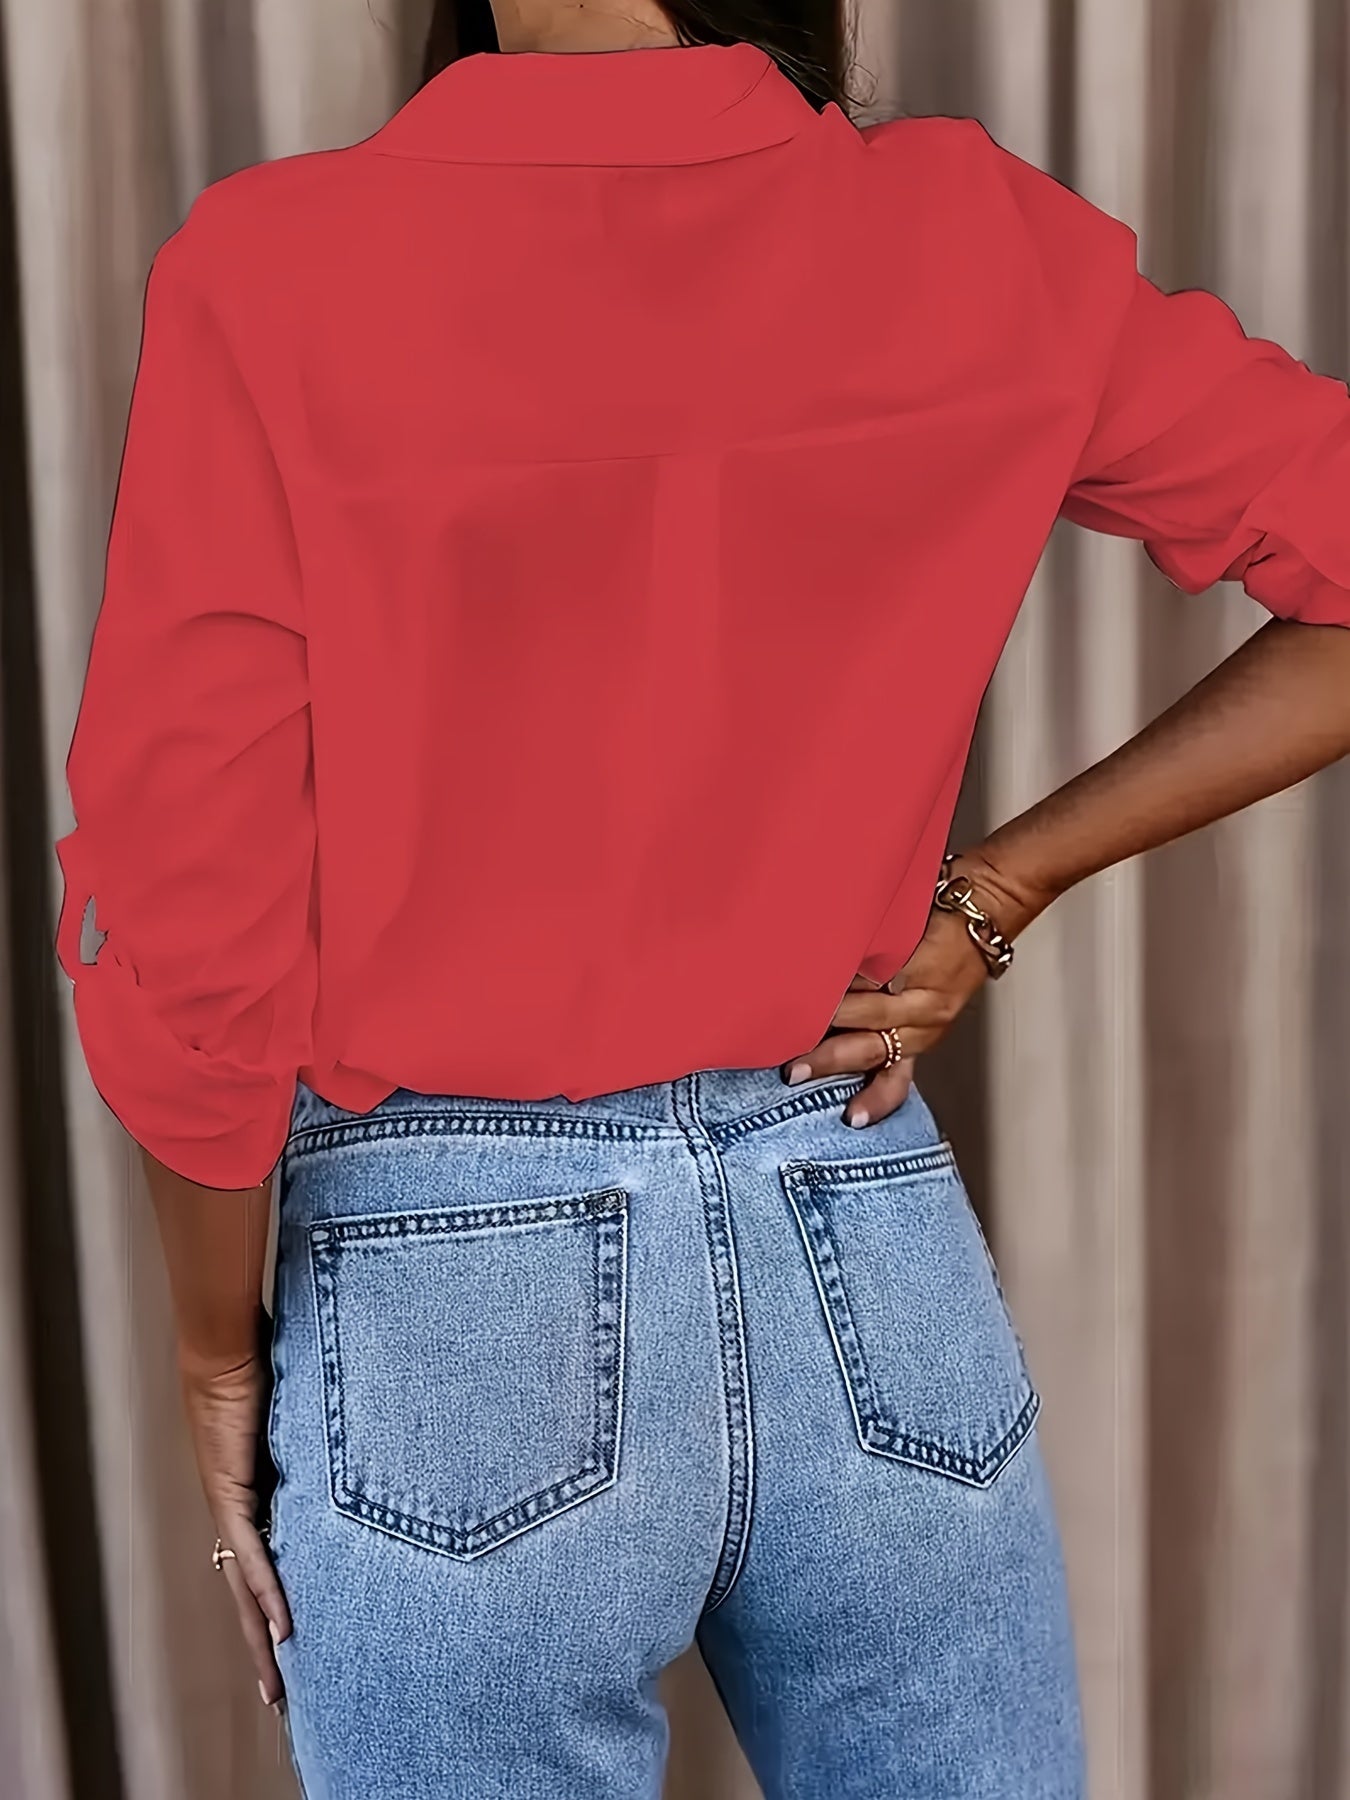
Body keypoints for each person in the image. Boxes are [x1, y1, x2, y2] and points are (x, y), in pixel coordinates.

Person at [52, 0, 1350, 1793]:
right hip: (859, 1221)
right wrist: (997, 887)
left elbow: (191, 899)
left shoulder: (278, 267)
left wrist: (217, 1353)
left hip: (455, 1274)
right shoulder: (967, 233)